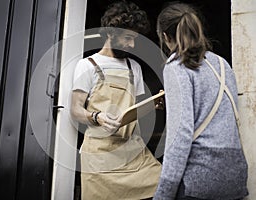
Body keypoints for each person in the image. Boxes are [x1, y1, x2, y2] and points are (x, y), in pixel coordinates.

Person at [153, 2, 248, 200]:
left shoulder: (176, 67)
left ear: (165, 37)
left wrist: (164, 194)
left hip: (199, 181)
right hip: (234, 178)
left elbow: (180, 135)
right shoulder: (222, 64)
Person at [70, 1, 162, 199]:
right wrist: (97, 116)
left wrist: (153, 105)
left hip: (132, 152)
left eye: (135, 39)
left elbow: (133, 111)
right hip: (99, 157)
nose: (132, 45)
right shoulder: (87, 65)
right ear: (111, 32)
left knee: (165, 184)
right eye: (128, 38)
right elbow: (75, 109)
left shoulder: (134, 67)